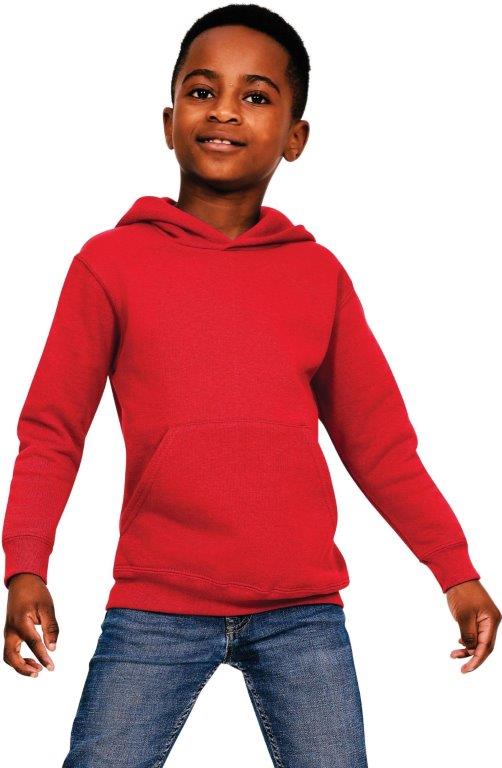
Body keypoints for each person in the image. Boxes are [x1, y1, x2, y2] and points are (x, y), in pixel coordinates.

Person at [2, 4, 500, 767]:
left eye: (256, 95)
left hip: (302, 611)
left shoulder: (318, 276)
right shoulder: (110, 265)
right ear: (169, 121)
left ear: (295, 137)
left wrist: (455, 571)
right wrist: (26, 565)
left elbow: (381, 446)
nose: (225, 110)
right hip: (157, 604)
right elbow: (53, 432)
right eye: (203, 91)